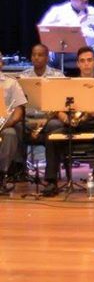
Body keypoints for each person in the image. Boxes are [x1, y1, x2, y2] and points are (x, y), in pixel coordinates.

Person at [41, 46, 94, 197]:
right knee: (51, 137)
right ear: (78, 64)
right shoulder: (69, 85)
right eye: (82, 61)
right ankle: (51, 182)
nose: (86, 64)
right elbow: (58, 108)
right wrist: (64, 117)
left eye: (89, 60)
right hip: (72, 127)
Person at [0, 54, 27, 194]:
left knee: (10, 134)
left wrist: (9, 123)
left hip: (3, 125)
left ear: (1, 63)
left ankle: (1, 175)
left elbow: (19, 109)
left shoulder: (11, 83)